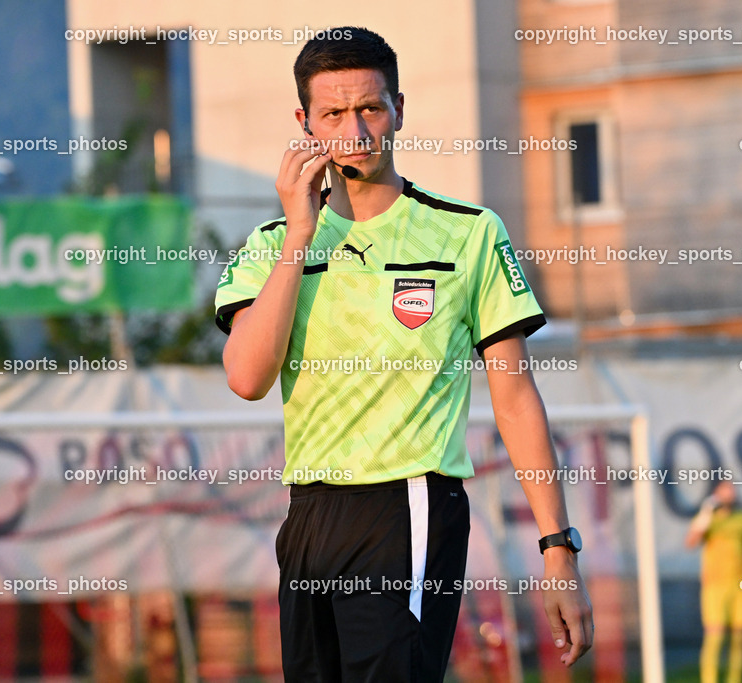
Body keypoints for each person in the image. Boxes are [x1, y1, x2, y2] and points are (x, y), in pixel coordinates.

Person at [215, 26, 593, 681]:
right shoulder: (274, 244)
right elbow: (247, 377)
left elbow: (514, 394)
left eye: (370, 107)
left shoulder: (467, 232)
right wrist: (300, 233)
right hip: (308, 512)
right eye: (333, 113)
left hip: (409, 502)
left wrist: (557, 547)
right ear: (304, 124)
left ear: (398, 109)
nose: (356, 129)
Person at [684, 481, 742, 683]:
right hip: (715, 586)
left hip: (740, 584)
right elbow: (690, 542)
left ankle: (735, 679)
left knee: (739, 637)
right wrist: (706, 514)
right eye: (725, 489)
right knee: (715, 636)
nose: (730, 493)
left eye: (732, 489)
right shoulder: (708, 519)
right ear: (716, 493)